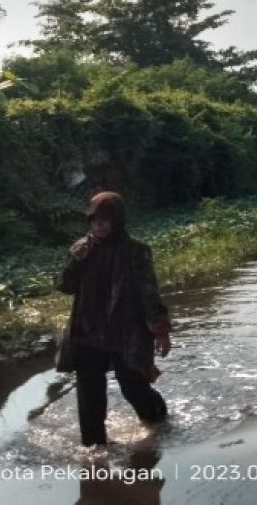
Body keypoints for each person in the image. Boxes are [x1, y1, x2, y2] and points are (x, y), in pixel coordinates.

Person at [55, 191, 172, 446]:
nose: (100, 225)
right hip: (88, 333)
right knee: (89, 395)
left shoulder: (136, 252)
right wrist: (76, 261)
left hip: (125, 333)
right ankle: (94, 449)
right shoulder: (81, 250)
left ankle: (159, 420)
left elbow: (148, 292)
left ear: (117, 221)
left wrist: (160, 330)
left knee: (134, 387)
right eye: (95, 220)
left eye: (106, 220)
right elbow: (64, 286)